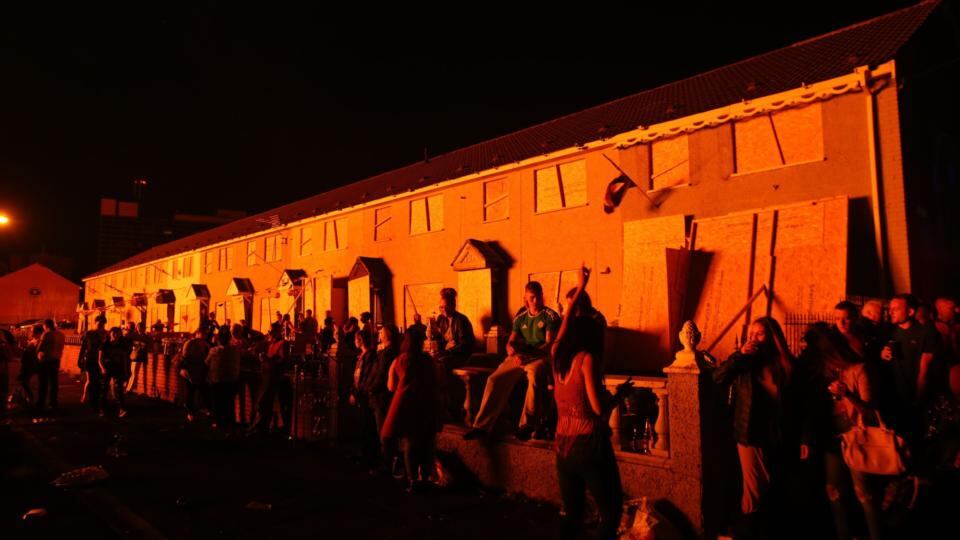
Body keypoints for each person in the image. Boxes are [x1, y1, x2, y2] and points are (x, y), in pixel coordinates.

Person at [551, 266, 631, 540]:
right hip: (588, 444)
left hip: (562, 445)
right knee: (610, 511)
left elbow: (563, 326)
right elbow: (597, 409)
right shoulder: (586, 360)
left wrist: (580, 287)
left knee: (571, 514)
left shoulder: (557, 355)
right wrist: (617, 397)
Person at [713, 316, 801, 538]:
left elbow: (800, 402)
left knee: (775, 488)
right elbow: (718, 377)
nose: (754, 338)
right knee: (754, 492)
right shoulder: (745, 362)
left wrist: (805, 437)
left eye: (759, 333)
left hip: (779, 434)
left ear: (772, 337)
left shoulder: (786, 364)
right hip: (750, 433)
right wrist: (740, 356)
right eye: (751, 334)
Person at [803, 318, 883, 540]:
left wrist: (848, 394)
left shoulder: (859, 369)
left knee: (863, 492)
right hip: (831, 434)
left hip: (855, 432)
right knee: (834, 490)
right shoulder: (823, 372)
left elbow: (870, 409)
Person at [464, 281, 560, 441]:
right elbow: (511, 341)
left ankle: (527, 425)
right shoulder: (520, 318)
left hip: (539, 356)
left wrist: (529, 355)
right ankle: (481, 426)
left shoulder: (550, 315)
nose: (536, 301)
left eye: (538, 297)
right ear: (526, 299)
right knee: (494, 379)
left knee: (535, 375)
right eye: (532, 298)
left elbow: (550, 344)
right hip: (521, 356)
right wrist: (511, 350)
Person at [381, 331, 439, 493]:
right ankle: (426, 477)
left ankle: (412, 478)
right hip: (427, 402)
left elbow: (391, 386)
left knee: (409, 441)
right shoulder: (428, 360)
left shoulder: (400, 360)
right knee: (426, 441)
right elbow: (437, 379)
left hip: (405, 403)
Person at [881, 294, 940, 439]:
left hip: (915, 397)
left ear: (910, 312)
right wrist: (883, 354)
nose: (891, 312)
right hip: (894, 396)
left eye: (896, 309)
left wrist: (918, 399)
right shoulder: (890, 331)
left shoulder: (927, 333)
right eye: (890, 308)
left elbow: (925, 369)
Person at [431, 288, 475, 422]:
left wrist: (446, 352)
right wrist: (433, 334)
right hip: (448, 353)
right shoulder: (442, 320)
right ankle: (437, 400)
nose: (442, 310)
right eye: (440, 307)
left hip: (460, 355)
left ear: (453, 305)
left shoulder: (461, 320)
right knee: (431, 361)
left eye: (445, 307)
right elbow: (441, 339)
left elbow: (465, 344)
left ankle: (447, 401)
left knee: (442, 363)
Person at [251, 323, 294, 437]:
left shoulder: (282, 343)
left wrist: (268, 360)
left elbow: (281, 362)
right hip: (268, 377)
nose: (269, 333)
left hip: (277, 379)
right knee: (264, 404)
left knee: (273, 405)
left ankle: (279, 430)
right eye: (269, 331)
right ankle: (263, 428)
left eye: (271, 331)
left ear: (277, 331)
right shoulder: (271, 344)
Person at [206, 329, 241, 432]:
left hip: (218, 381)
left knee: (218, 404)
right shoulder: (235, 350)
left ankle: (219, 423)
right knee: (229, 404)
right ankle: (230, 424)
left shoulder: (214, 351)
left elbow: (206, 363)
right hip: (232, 381)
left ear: (219, 339)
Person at [178, 329, 211, 422]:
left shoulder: (203, 344)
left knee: (199, 391)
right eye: (202, 334)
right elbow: (185, 356)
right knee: (192, 392)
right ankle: (191, 413)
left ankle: (196, 411)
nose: (204, 336)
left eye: (205, 334)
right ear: (197, 334)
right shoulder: (191, 343)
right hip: (190, 372)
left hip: (196, 371)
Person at [98, 327, 129, 417]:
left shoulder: (122, 345)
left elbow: (124, 359)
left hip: (118, 368)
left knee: (119, 389)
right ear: (110, 334)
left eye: (118, 333)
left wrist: (126, 370)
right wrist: (103, 368)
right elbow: (100, 359)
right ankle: (102, 409)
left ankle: (121, 409)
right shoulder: (105, 345)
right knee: (104, 389)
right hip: (107, 368)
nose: (116, 335)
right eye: (114, 333)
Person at [79, 315, 108, 409]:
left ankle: (96, 398)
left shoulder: (106, 334)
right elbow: (83, 347)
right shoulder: (89, 333)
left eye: (102, 324)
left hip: (102, 360)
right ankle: (85, 395)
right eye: (99, 324)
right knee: (90, 379)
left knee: (99, 380)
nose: (100, 326)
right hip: (90, 359)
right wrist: (80, 359)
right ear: (95, 323)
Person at [36, 319, 66, 412]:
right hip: (56, 360)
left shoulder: (46, 334)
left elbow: (39, 348)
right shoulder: (61, 335)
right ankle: (53, 402)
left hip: (46, 361)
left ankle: (41, 402)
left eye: (43, 327)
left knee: (43, 383)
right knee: (54, 382)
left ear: (46, 326)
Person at [18, 324, 44, 406]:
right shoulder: (34, 340)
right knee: (24, 381)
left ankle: (31, 398)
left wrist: (26, 349)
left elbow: (34, 353)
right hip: (27, 363)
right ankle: (29, 398)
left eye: (32, 330)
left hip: (30, 364)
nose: (30, 332)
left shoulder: (38, 341)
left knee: (24, 381)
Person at [336, 317, 360, 403]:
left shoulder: (348, 333)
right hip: (349, 358)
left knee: (347, 379)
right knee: (348, 379)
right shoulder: (350, 334)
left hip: (348, 359)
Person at [126, 322, 150, 393]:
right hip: (133, 356)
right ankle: (129, 387)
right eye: (138, 327)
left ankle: (129, 389)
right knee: (132, 372)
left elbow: (146, 347)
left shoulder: (145, 337)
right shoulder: (134, 335)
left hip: (139, 356)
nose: (138, 329)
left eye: (140, 327)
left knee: (134, 373)